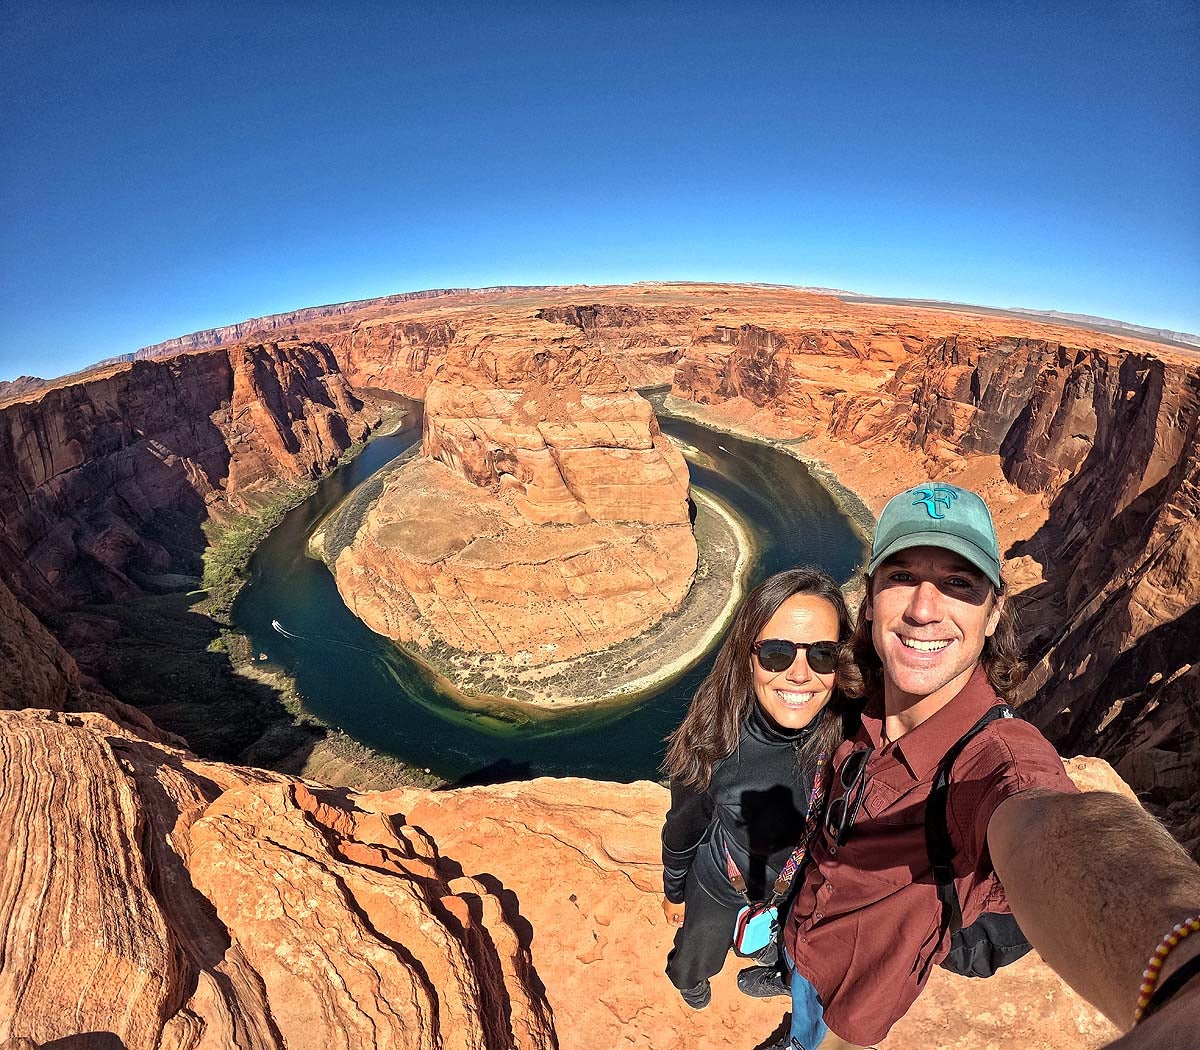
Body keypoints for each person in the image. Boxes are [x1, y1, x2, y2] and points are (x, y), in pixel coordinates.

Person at [751, 481, 1200, 1049]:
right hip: (804, 941)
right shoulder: (854, 706)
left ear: (993, 615)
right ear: (869, 602)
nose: (922, 609)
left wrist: (1182, 966)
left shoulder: (994, 757)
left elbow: (1050, 824)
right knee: (799, 1003)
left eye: (958, 584)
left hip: (854, 1001)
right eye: (902, 576)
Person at [659, 567, 861, 1010]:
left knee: (783, 936)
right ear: (747, 655)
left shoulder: (848, 725)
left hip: (796, 882)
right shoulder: (714, 742)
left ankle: (771, 957)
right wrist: (675, 892)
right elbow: (682, 830)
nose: (800, 674)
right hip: (722, 883)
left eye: (823, 653)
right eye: (776, 653)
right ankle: (691, 980)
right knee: (699, 950)